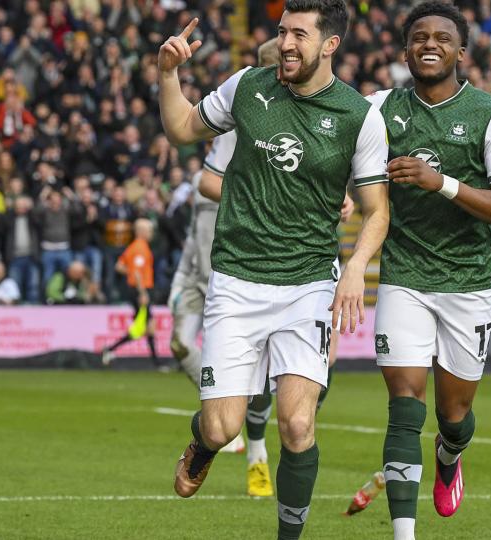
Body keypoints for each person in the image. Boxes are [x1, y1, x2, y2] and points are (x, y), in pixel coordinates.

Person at [159, 4, 390, 539]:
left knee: (298, 423)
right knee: (223, 427)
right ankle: (202, 444)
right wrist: (168, 72)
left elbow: (377, 209)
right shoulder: (247, 87)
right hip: (237, 280)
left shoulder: (360, 116)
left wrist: (356, 266)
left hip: (309, 283)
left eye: (298, 35)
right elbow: (179, 130)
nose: (285, 43)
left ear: (329, 44)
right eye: (282, 31)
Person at [365, 3, 491, 537]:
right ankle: (404, 533)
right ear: (405, 50)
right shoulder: (378, 110)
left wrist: (443, 183)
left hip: (469, 282)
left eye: (441, 37)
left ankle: (449, 454)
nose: (428, 44)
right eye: (418, 37)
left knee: (454, 417)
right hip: (404, 276)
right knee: (404, 402)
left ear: (461, 52)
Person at [168, 36, 355, 498]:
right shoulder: (245, 114)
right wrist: (259, 185)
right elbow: (205, 178)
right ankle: (229, 445)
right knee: (220, 425)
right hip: (244, 263)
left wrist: (337, 198)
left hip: (307, 269)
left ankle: (267, 455)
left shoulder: (334, 114)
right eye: (276, 63)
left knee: (303, 403)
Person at [101, 219, 158, 365]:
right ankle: (111, 350)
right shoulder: (141, 248)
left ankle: (155, 362)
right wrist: (142, 292)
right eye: (149, 230)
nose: (151, 233)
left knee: (146, 326)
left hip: (135, 289)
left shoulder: (132, 247)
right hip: (140, 290)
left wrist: (131, 272)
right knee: (144, 327)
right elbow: (138, 272)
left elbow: (119, 266)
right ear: (142, 232)